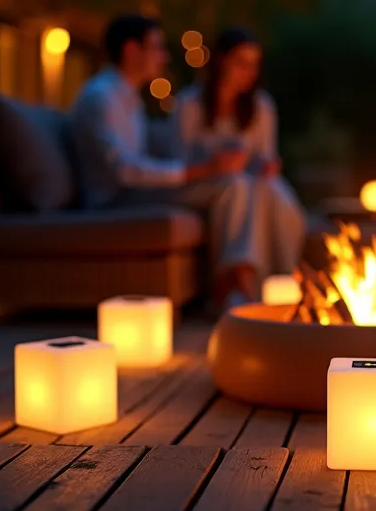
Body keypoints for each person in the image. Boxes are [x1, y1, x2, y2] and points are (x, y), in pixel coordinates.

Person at [70, 15, 260, 306]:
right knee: (230, 184)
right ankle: (232, 285)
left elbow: (144, 153)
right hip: (115, 200)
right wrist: (203, 170)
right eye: (157, 47)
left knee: (235, 181)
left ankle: (234, 281)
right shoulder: (101, 98)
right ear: (132, 51)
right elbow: (126, 170)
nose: (164, 56)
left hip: (133, 192)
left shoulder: (129, 99)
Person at [171, 27, 306, 279]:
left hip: (250, 181)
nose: (249, 73)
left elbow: (267, 155)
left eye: (254, 65)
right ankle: (237, 279)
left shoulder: (261, 106)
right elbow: (178, 162)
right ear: (222, 61)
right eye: (241, 63)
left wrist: (266, 165)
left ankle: (284, 277)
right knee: (238, 186)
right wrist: (216, 164)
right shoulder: (190, 103)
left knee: (274, 191)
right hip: (202, 182)